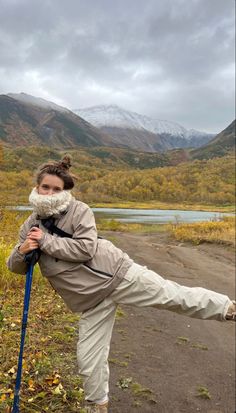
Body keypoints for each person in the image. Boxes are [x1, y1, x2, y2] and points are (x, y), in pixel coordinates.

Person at [7, 155, 236, 413]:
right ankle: (98, 406)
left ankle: (228, 308)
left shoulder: (79, 211)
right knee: (88, 360)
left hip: (119, 276)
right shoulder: (30, 225)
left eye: (56, 189)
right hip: (90, 300)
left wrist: (46, 242)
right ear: (37, 187)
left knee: (173, 296)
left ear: (65, 191)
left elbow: (85, 248)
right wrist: (22, 250)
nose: (49, 193)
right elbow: (16, 267)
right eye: (45, 187)